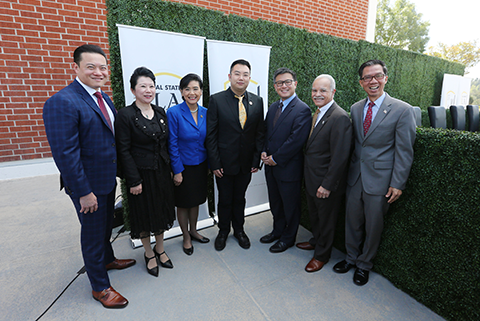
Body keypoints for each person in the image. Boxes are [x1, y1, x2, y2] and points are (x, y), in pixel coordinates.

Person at [43, 44, 135, 309]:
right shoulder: (62, 101)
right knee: (93, 234)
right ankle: (100, 286)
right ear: (76, 68)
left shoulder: (103, 98)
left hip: (106, 179)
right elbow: (66, 155)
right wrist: (83, 192)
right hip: (88, 186)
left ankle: (107, 259)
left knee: (106, 226)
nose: (98, 72)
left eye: (102, 67)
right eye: (91, 67)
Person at [333, 60, 416, 286]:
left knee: (373, 225)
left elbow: (404, 151)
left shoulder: (402, 110)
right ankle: (350, 258)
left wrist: (398, 183)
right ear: (361, 83)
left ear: (385, 78)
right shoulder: (356, 108)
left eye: (377, 76)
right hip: (355, 177)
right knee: (352, 222)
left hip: (380, 181)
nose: (373, 81)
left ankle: (364, 265)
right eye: (367, 77)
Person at [115, 67, 175, 277]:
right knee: (143, 215)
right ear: (133, 89)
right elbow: (123, 150)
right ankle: (148, 253)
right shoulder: (125, 115)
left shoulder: (159, 111)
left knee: (160, 211)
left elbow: (166, 144)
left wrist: (170, 169)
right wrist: (133, 180)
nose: (148, 90)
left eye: (151, 86)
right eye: (143, 86)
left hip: (161, 172)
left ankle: (160, 248)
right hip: (140, 176)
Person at [206, 59, 265, 251]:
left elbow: (259, 133)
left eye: (245, 74)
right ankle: (223, 231)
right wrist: (214, 163)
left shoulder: (257, 101)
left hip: (246, 163)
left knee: (240, 198)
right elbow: (211, 134)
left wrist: (256, 160)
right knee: (225, 198)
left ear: (250, 78)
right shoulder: (216, 99)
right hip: (223, 163)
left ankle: (239, 230)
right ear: (230, 76)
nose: (241, 78)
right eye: (237, 74)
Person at [296, 75, 352, 272]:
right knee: (316, 217)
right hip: (312, 179)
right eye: (314, 90)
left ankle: (321, 255)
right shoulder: (318, 113)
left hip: (325, 184)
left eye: (323, 91)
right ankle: (316, 241)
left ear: (333, 92)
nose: (317, 94)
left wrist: (327, 185)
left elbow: (340, 158)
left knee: (326, 221)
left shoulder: (340, 117)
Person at [260, 67, 311, 253]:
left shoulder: (302, 109)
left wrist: (276, 158)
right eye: (280, 83)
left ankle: (288, 238)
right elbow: (267, 134)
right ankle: (277, 231)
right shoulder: (274, 107)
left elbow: (296, 140)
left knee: (290, 206)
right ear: (275, 86)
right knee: (275, 202)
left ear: (295, 84)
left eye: (288, 82)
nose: (284, 86)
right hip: (270, 167)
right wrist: (264, 151)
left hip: (288, 168)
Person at [167, 73, 209, 256]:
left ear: (201, 91)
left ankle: (194, 230)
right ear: (182, 92)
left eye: (196, 88)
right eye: (187, 89)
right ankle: (185, 236)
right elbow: (172, 143)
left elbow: (210, 141)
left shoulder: (206, 112)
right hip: (183, 167)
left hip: (201, 166)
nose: (192, 92)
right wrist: (177, 171)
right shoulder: (174, 112)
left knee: (196, 202)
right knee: (183, 203)